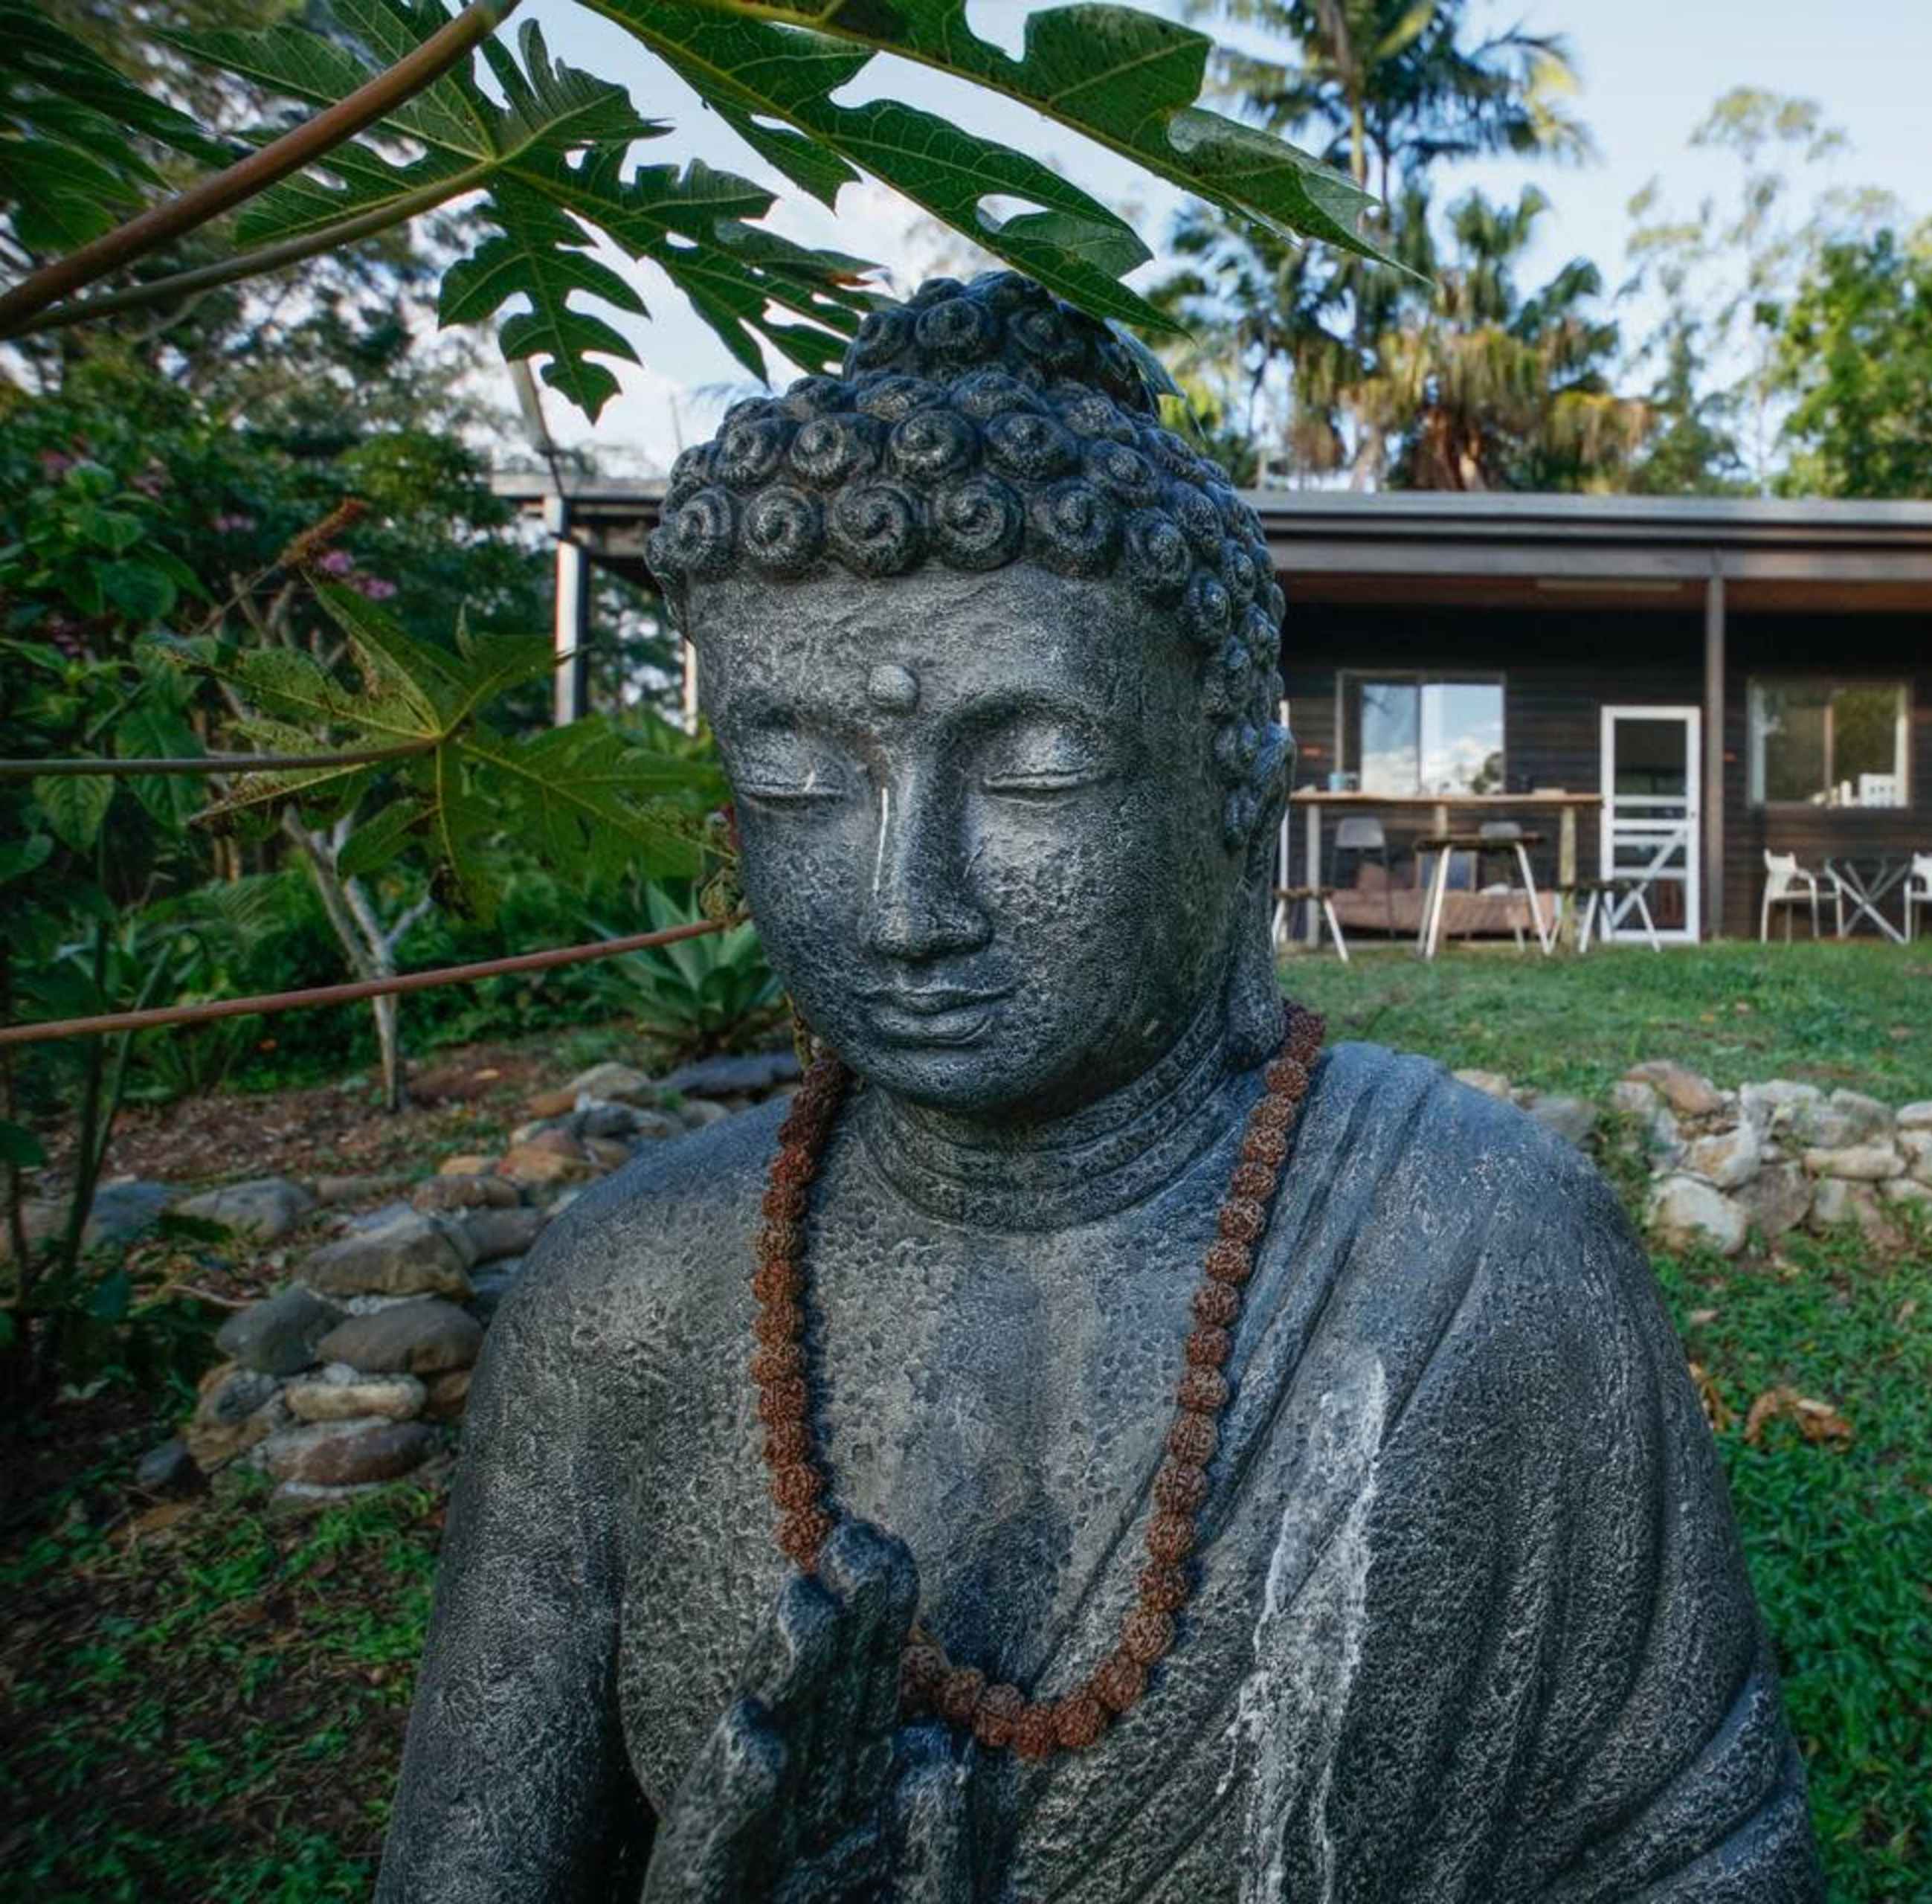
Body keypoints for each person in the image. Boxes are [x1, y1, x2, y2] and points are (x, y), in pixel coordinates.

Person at [377, 274, 1820, 1903]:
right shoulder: (624, 1301)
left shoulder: (1491, 1246)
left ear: (1238, 780)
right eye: (793, 783)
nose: (908, 901)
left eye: (1032, 770)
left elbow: (1703, 1851)